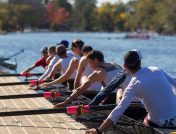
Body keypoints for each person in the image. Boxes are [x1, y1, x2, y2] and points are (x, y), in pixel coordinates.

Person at [85, 50, 176, 134]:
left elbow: (119, 109)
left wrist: (98, 130)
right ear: (140, 62)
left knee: (145, 120)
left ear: (125, 66)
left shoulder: (133, 85)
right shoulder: (157, 69)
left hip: (159, 124)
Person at [51, 50, 123, 108]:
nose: (89, 66)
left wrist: (65, 102)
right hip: (124, 98)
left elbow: (81, 89)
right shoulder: (116, 65)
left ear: (96, 60)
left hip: (110, 100)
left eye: (90, 62)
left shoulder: (98, 72)